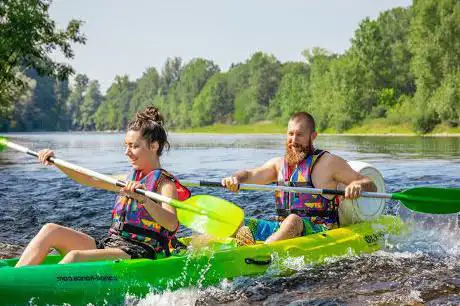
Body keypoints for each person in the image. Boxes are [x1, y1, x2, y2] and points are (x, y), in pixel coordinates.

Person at [15, 106, 190, 267]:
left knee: (75, 257)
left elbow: (171, 223)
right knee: (50, 230)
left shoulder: (165, 184)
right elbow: (90, 179)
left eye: (134, 146)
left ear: (154, 146)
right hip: (111, 244)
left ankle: (38, 288)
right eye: (126, 146)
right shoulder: (128, 178)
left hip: (141, 252)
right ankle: (17, 278)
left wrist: (144, 199)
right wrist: (56, 162)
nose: (126, 152)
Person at [222, 112, 376, 245]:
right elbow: (248, 175)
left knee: (293, 220)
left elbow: (369, 183)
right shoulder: (278, 165)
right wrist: (235, 178)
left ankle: (261, 253)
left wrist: (357, 185)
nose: (293, 140)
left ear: (313, 136)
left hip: (319, 232)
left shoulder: (328, 163)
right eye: (290, 134)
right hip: (281, 229)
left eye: (300, 134)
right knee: (235, 223)